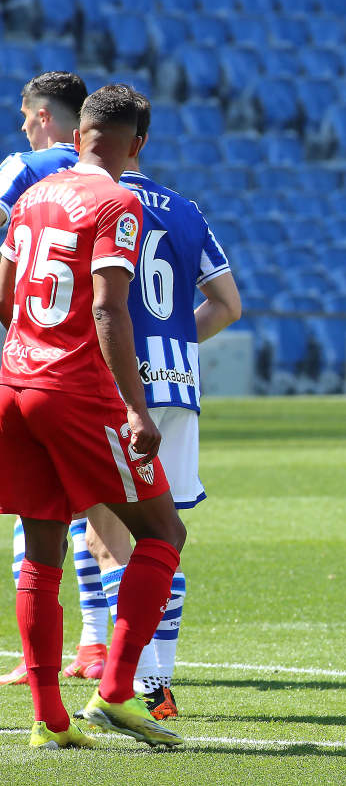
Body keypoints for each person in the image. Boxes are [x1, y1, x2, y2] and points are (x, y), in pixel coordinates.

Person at [0, 83, 184, 748]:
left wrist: (34, 347)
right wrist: (136, 409)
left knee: (40, 550)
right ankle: (113, 692)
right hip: (73, 389)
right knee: (164, 532)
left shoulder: (31, 197)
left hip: (15, 381)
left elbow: (4, 294)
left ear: (77, 137)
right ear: (137, 145)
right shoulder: (119, 200)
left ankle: (48, 720)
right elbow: (108, 309)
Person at [78, 90, 241, 721]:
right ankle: (160, 681)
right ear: (141, 141)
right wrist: (172, 341)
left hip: (111, 387)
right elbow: (228, 304)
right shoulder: (183, 208)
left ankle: (135, 682)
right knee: (164, 537)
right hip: (176, 387)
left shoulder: (87, 200)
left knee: (107, 538)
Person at [0, 71, 113, 689]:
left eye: (24, 116)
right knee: (93, 508)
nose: (21, 127)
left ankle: (38, 655)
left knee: (33, 512)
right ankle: (96, 645)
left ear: (44, 116)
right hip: (91, 366)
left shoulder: (24, 165)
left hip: (30, 360)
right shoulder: (110, 178)